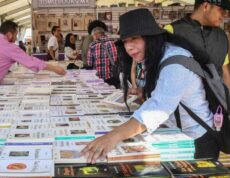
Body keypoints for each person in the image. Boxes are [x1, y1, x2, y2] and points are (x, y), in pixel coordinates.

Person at [81, 8, 218, 163]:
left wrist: (113, 136)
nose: (129, 47)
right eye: (125, 41)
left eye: (134, 39)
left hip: (198, 139)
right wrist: (144, 92)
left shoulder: (175, 62)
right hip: (178, 134)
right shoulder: (159, 54)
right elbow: (166, 92)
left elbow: (157, 108)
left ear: (151, 37)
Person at [164, 0, 230, 92]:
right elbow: (163, 71)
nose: (225, 14)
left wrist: (228, 102)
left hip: (216, 102)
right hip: (183, 102)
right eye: (221, 9)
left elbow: (224, 71)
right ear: (206, 6)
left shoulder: (222, 36)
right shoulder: (172, 31)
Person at [0, 20, 66, 86]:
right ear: (9, 34)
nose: (16, 39)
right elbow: (31, 61)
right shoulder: (8, 46)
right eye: (16, 35)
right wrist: (55, 69)